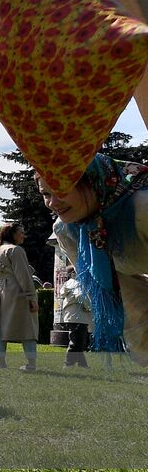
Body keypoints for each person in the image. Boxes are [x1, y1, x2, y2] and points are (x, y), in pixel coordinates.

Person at [41, 154, 148, 361]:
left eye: (61, 190)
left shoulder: (142, 209)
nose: (53, 203)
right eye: (45, 193)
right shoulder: (66, 229)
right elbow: (127, 300)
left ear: (92, 182)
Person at [0, 222, 39, 371]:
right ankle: (31, 363)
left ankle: (0, 362)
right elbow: (24, 276)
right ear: (12, 234)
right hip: (17, 291)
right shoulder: (16, 250)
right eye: (21, 232)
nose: (23, 235)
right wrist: (31, 297)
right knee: (28, 326)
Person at [56, 263, 93, 368]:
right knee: (76, 342)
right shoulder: (77, 283)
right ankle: (68, 364)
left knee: (79, 341)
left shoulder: (68, 284)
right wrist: (89, 307)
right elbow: (81, 295)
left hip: (71, 316)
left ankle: (82, 365)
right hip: (79, 316)